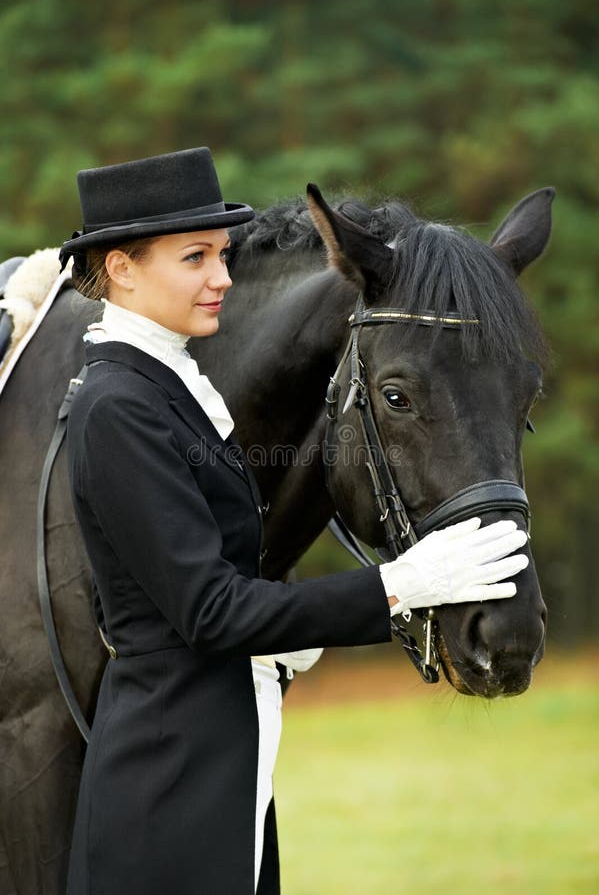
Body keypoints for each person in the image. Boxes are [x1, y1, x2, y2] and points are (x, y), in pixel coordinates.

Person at [59, 146, 529, 895]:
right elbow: (210, 611)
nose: (222, 276)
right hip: (167, 797)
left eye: (222, 254)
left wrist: (294, 634)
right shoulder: (117, 405)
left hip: (221, 770)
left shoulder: (168, 385)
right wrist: (399, 587)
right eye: (196, 258)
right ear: (121, 269)